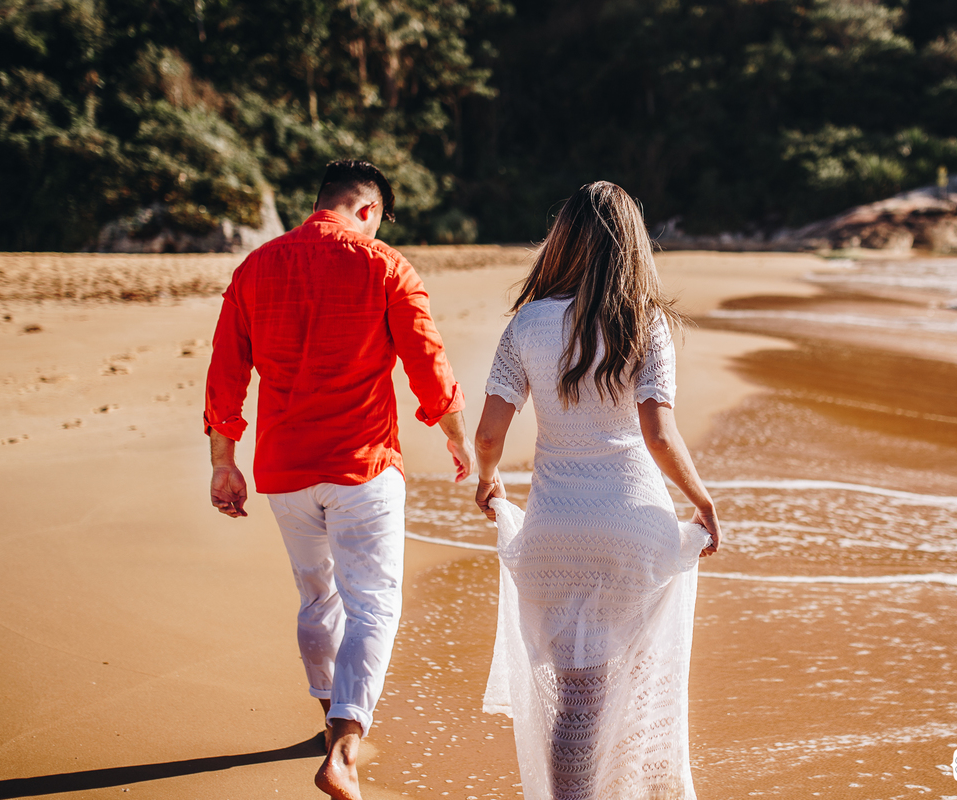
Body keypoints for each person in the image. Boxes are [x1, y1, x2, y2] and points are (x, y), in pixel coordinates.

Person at [204, 159, 476, 800]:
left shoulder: (255, 267)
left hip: (284, 470)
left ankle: (326, 711)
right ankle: (345, 749)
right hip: (363, 467)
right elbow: (426, 359)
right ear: (370, 210)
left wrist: (223, 461)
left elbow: (226, 371)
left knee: (317, 596)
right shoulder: (385, 265)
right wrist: (458, 435)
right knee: (374, 604)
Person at [473, 181, 721, 800]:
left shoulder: (527, 323)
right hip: (631, 529)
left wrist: (487, 482)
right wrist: (704, 502)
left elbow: (487, 435)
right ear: (633, 245)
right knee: (618, 693)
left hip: (552, 533)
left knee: (577, 702)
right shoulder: (644, 321)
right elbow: (659, 433)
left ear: (563, 241)